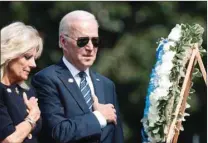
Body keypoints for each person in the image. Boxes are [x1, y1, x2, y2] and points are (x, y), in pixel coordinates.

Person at [32, 10, 124, 143]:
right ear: (63, 42)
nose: (90, 47)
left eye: (95, 41)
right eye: (83, 41)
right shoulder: (46, 79)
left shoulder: (106, 84)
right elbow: (58, 132)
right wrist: (98, 117)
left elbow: (116, 137)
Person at [0, 22, 43, 143]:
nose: (33, 64)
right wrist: (32, 118)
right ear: (9, 54)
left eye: (34, 58)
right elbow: (9, 140)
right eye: (28, 57)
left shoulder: (28, 91)